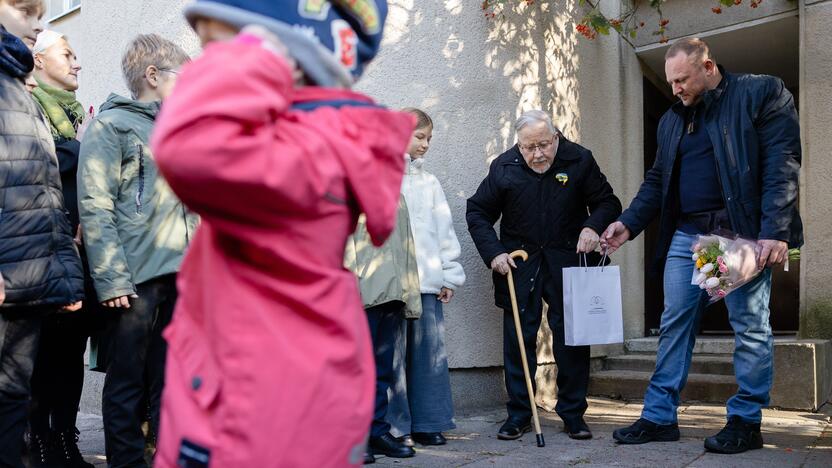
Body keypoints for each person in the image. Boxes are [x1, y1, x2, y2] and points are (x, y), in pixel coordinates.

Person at [149, 1, 415, 466]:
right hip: (246, 385)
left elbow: (187, 148)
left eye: (219, 46)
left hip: (258, 403)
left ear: (284, 57)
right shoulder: (298, 138)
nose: (207, 65)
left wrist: (251, 54)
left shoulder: (310, 148)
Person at [602, 38, 802, 454]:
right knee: (675, 323)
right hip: (688, 235)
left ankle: (746, 421)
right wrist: (628, 224)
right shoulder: (673, 119)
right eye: (671, 81)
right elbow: (657, 181)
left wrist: (775, 230)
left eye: (682, 79)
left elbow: (781, 162)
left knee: (748, 327)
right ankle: (659, 417)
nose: (674, 88)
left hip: (734, 235)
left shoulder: (759, 92)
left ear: (707, 66)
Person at [77, 34, 197, 468]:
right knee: (127, 379)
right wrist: (110, 278)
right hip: (133, 278)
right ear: (152, 76)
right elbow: (96, 204)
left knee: (169, 380)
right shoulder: (112, 126)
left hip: (179, 275)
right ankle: (126, 462)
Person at [467, 110, 621, 441]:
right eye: (528, 147)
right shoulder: (505, 167)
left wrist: (593, 227)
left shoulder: (579, 159)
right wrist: (494, 252)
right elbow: (478, 211)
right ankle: (520, 414)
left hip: (568, 259)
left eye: (543, 145)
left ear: (556, 137)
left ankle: (573, 413)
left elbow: (608, 202)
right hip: (521, 264)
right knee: (518, 340)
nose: (537, 154)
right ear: (518, 145)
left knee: (572, 340)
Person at [0, 1, 85, 467]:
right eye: (24, 10)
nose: (36, 23)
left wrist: (68, 272)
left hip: (42, 267)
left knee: (29, 384)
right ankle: (42, 442)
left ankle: (57, 441)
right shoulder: (20, 95)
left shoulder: (26, 97)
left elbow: (47, 189)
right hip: (12, 268)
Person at [28, 29, 95, 468]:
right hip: (41, 252)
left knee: (70, 354)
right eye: (66, 55)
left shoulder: (75, 115)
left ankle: (66, 439)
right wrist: (83, 147)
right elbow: (37, 162)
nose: (76, 63)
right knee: (39, 355)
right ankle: (37, 441)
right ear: (38, 61)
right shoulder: (27, 107)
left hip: (81, 255)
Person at [387, 108, 465, 447]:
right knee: (392, 355)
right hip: (390, 285)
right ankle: (393, 426)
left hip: (427, 281)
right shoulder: (379, 177)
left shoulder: (429, 182)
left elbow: (443, 231)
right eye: (420, 136)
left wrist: (448, 274)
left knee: (429, 355)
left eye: (429, 138)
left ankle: (428, 421)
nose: (426, 144)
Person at [345, 199, 422, 464]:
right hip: (361, 295)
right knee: (356, 372)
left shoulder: (395, 193)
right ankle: (354, 437)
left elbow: (406, 244)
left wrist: (411, 295)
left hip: (392, 293)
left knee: (382, 371)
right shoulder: (349, 184)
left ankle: (376, 431)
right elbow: (343, 245)